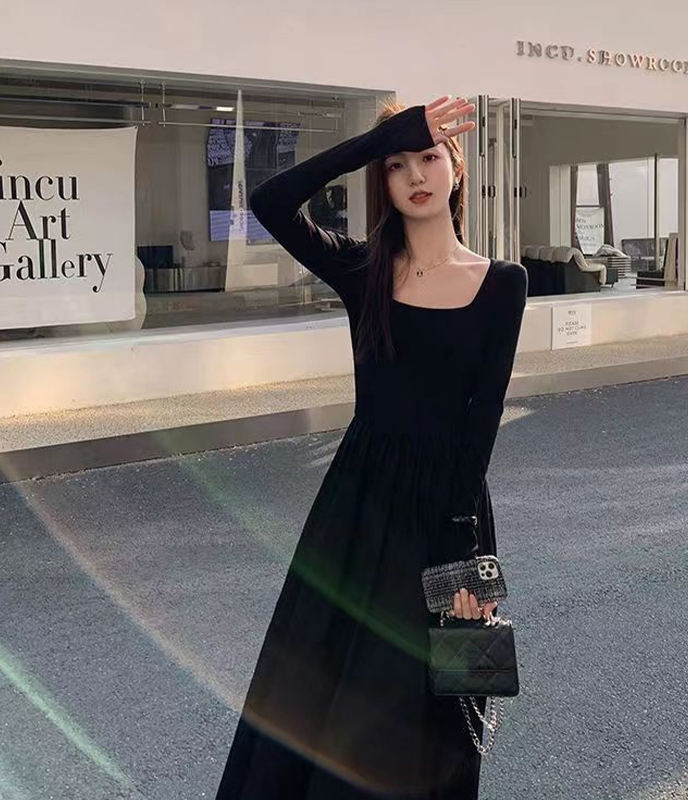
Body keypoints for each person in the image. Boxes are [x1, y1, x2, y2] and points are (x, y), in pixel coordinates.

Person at [214, 95, 528, 800]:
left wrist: (462, 548)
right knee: (330, 685)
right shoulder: (363, 270)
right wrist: (374, 140)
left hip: (451, 507)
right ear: (381, 181)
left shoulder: (503, 284)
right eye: (396, 164)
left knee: (448, 691)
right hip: (357, 507)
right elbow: (270, 202)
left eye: (428, 157)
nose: (414, 174)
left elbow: (481, 421)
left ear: (456, 169)